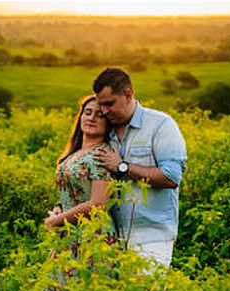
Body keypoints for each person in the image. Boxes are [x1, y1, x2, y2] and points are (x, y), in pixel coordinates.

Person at [91, 67, 187, 270]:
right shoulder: (105, 130)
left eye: (110, 104)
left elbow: (171, 178)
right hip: (111, 239)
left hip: (151, 236)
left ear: (128, 95)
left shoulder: (161, 125)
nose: (105, 111)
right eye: (102, 105)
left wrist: (122, 167)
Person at [44, 94, 117, 276]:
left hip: (91, 235)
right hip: (69, 231)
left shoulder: (101, 154)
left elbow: (98, 204)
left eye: (99, 115)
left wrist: (55, 222)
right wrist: (59, 209)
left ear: (108, 122)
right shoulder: (75, 152)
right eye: (88, 112)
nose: (92, 118)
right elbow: (73, 193)